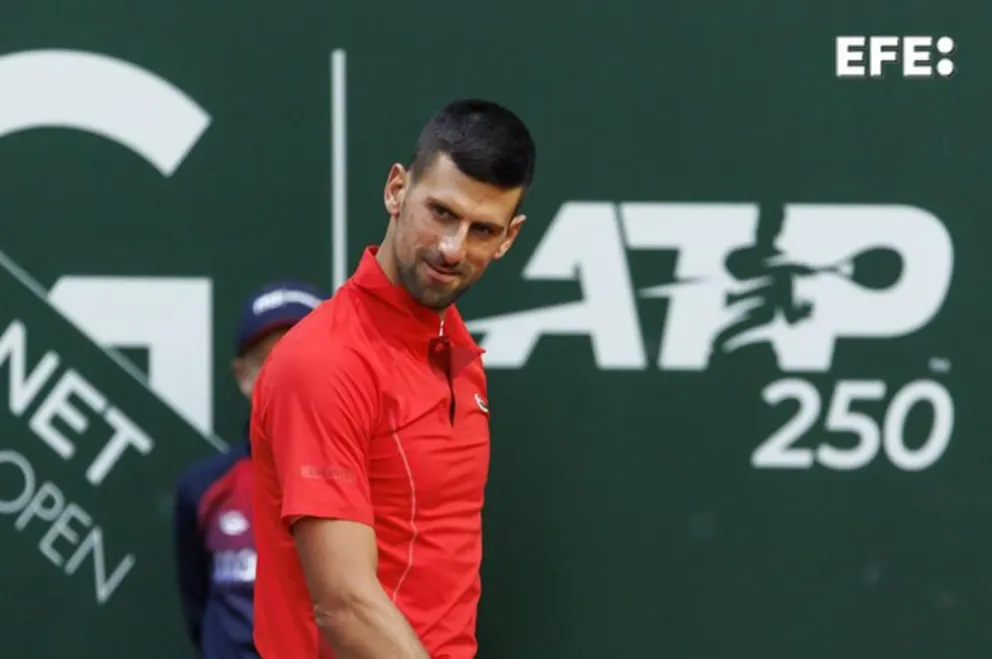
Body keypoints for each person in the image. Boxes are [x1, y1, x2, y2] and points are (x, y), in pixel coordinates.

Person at [250, 98, 537, 658]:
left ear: (509, 238)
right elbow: (344, 603)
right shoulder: (324, 362)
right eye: (442, 213)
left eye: (482, 230)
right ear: (396, 190)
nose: (453, 248)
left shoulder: (457, 351)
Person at [172, 280, 326, 659]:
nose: (286, 377)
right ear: (243, 375)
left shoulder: (380, 484)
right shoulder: (204, 488)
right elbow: (198, 607)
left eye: (303, 357)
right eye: (269, 361)